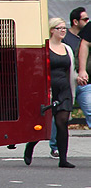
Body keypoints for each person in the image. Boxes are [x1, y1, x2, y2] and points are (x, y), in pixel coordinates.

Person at [23, 16, 77, 168]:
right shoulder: (44, 48)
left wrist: (77, 79)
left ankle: (63, 159)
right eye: (60, 28)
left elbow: (70, 69)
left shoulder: (67, 49)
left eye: (64, 28)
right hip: (48, 88)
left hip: (64, 89)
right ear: (52, 30)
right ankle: (31, 145)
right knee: (43, 121)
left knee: (62, 122)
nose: (63, 31)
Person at [47, 7, 91, 157]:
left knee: (84, 112)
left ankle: (61, 156)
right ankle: (49, 146)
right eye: (84, 19)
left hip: (75, 83)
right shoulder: (61, 43)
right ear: (75, 21)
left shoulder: (75, 43)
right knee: (56, 119)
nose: (87, 21)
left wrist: (79, 76)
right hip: (57, 86)